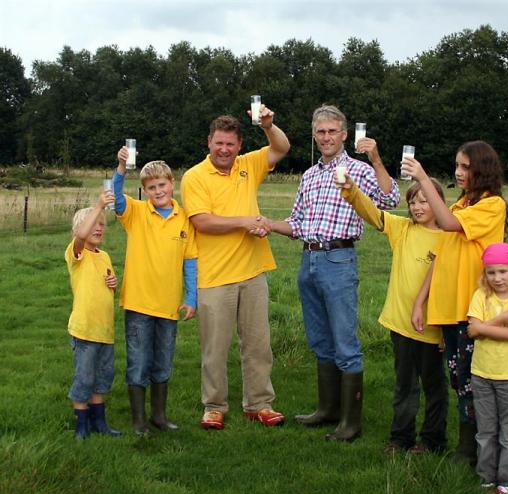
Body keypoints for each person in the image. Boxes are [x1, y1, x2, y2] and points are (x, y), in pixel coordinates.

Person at [267, 106, 400, 442]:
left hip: (339, 259)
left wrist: (376, 159)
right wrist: (268, 224)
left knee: (345, 343)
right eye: (321, 132)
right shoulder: (309, 176)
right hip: (308, 260)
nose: (326, 137)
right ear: (315, 135)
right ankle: (328, 410)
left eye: (332, 131)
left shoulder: (359, 170)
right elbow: (297, 223)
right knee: (320, 340)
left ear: (343, 135)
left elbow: (390, 199)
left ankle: (350, 423)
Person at [180, 107, 290, 430]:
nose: (224, 149)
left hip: (253, 272)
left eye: (230, 144)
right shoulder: (194, 177)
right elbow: (202, 221)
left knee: (258, 345)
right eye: (219, 143)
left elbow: (282, 147)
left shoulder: (248, 165)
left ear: (240, 145)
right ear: (209, 142)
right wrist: (244, 222)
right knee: (215, 348)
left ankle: (259, 404)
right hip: (214, 276)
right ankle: (214, 406)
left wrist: (268, 126)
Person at [404, 140, 507, 464]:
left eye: (465, 167)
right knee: (460, 379)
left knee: (472, 381)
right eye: (457, 166)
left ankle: (475, 450)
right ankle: (470, 446)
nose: (458, 172)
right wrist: (421, 301)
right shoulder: (462, 204)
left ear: (482, 170)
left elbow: (448, 224)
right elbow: (441, 256)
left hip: (472, 310)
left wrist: (422, 177)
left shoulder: (492, 206)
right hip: (450, 310)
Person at [339, 155, 449, 453]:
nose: (417, 207)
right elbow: (372, 213)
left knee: (435, 387)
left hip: (433, 329)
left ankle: (433, 440)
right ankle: (401, 438)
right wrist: (351, 190)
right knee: (404, 385)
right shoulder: (403, 229)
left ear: (439, 202)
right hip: (400, 324)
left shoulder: (449, 239)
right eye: (413, 202)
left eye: (424, 201)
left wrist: (445, 330)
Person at [113, 153, 198, 436]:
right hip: (138, 304)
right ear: (145, 190)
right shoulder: (136, 213)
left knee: (163, 363)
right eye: (151, 187)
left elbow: (190, 262)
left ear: (172, 183)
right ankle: (139, 421)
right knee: (138, 363)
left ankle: (159, 416)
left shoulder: (184, 219)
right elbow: (116, 196)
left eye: (162, 185)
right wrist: (122, 167)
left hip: (169, 306)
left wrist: (192, 298)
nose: (158, 191)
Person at [466, 242, 508, 494]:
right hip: (481, 374)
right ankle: (487, 477)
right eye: (491, 272)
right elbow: (472, 332)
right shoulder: (480, 296)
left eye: (503, 271)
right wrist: (500, 321)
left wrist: (483, 327)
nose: (497, 278)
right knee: (485, 430)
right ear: (485, 273)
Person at [65, 190, 122, 440]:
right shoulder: (76, 253)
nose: (98, 228)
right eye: (93, 224)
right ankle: (81, 425)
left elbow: (106, 283)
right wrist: (98, 206)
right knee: (85, 377)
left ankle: (100, 422)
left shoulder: (104, 256)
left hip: (105, 331)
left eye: (101, 224)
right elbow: (80, 236)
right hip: (84, 330)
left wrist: (113, 283)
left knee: (102, 378)